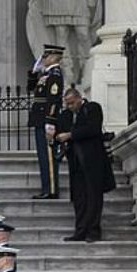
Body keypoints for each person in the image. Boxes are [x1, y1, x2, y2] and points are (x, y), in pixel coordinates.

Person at [57, 87, 111, 242]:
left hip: (93, 160)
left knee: (94, 196)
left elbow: (93, 129)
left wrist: (71, 135)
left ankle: (93, 230)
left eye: (72, 103)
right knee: (79, 198)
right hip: (76, 161)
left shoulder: (92, 108)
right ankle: (80, 230)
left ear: (79, 99)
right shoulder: (66, 115)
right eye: (67, 104)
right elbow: (60, 131)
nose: (70, 106)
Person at [28, 45, 66, 199]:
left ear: (54, 57)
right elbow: (30, 88)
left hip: (46, 120)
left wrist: (50, 122)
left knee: (48, 157)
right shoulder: (46, 74)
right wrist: (33, 73)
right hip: (39, 119)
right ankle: (46, 188)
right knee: (43, 156)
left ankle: (51, 189)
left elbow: (54, 100)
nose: (44, 59)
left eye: (46, 56)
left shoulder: (55, 75)